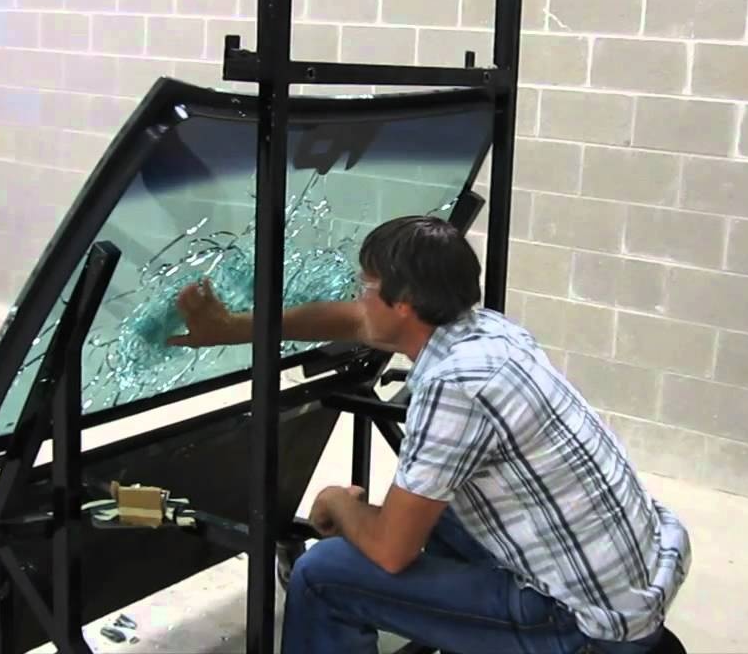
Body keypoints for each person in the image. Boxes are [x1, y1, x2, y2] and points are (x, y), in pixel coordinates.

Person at [168, 215, 691, 654]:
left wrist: (339, 503)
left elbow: (390, 551)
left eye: (366, 287)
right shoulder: (489, 331)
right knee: (432, 518)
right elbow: (352, 321)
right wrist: (233, 327)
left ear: (405, 303)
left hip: (582, 625)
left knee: (323, 574)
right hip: (633, 584)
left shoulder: (453, 386)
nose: (359, 300)